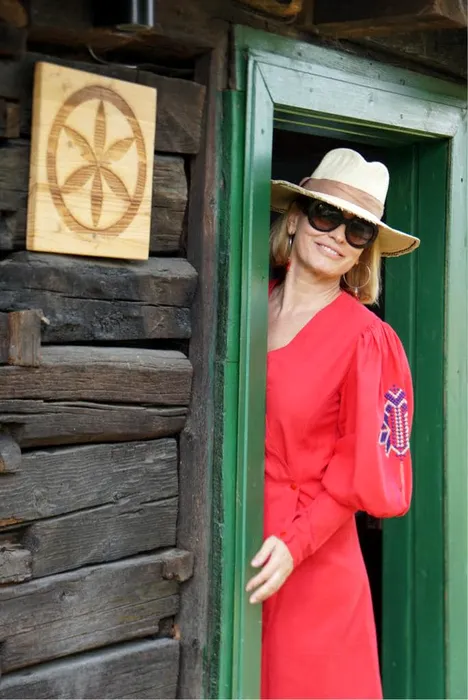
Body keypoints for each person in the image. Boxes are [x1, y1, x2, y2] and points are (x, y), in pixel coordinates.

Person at [245, 148, 420, 699]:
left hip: (310, 565)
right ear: (294, 220)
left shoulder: (368, 339)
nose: (338, 235)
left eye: (358, 230)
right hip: (237, 542)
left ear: (365, 251)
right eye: (326, 215)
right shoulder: (247, 308)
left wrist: (294, 545)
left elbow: (360, 472)